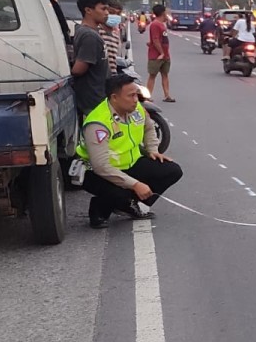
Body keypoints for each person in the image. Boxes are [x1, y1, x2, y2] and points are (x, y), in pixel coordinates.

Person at [77, 73, 183, 229]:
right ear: (114, 97)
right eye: (131, 96)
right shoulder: (98, 123)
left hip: (130, 164)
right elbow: (101, 166)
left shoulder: (137, 109)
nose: (136, 99)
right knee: (120, 192)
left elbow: (149, 128)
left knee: (172, 170)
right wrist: (135, 185)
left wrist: (152, 149)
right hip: (97, 173)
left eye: (136, 94)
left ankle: (127, 205)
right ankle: (99, 210)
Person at [70, 0, 111, 117]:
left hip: (98, 99)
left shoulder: (89, 32)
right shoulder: (89, 36)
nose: (107, 13)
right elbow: (78, 70)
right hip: (94, 102)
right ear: (88, 10)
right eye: (103, 9)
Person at [146, 4, 175, 102]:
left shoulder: (162, 24)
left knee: (165, 74)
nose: (167, 14)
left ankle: (167, 95)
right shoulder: (155, 24)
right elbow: (156, 39)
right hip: (156, 55)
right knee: (152, 75)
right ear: (163, 13)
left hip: (165, 55)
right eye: (166, 12)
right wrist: (161, 53)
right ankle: (148, 96)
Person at [101, 0, 129, 76]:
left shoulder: (115, 36)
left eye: (118, 14)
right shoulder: (97, 32)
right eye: (111, 12)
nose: (114, 16)